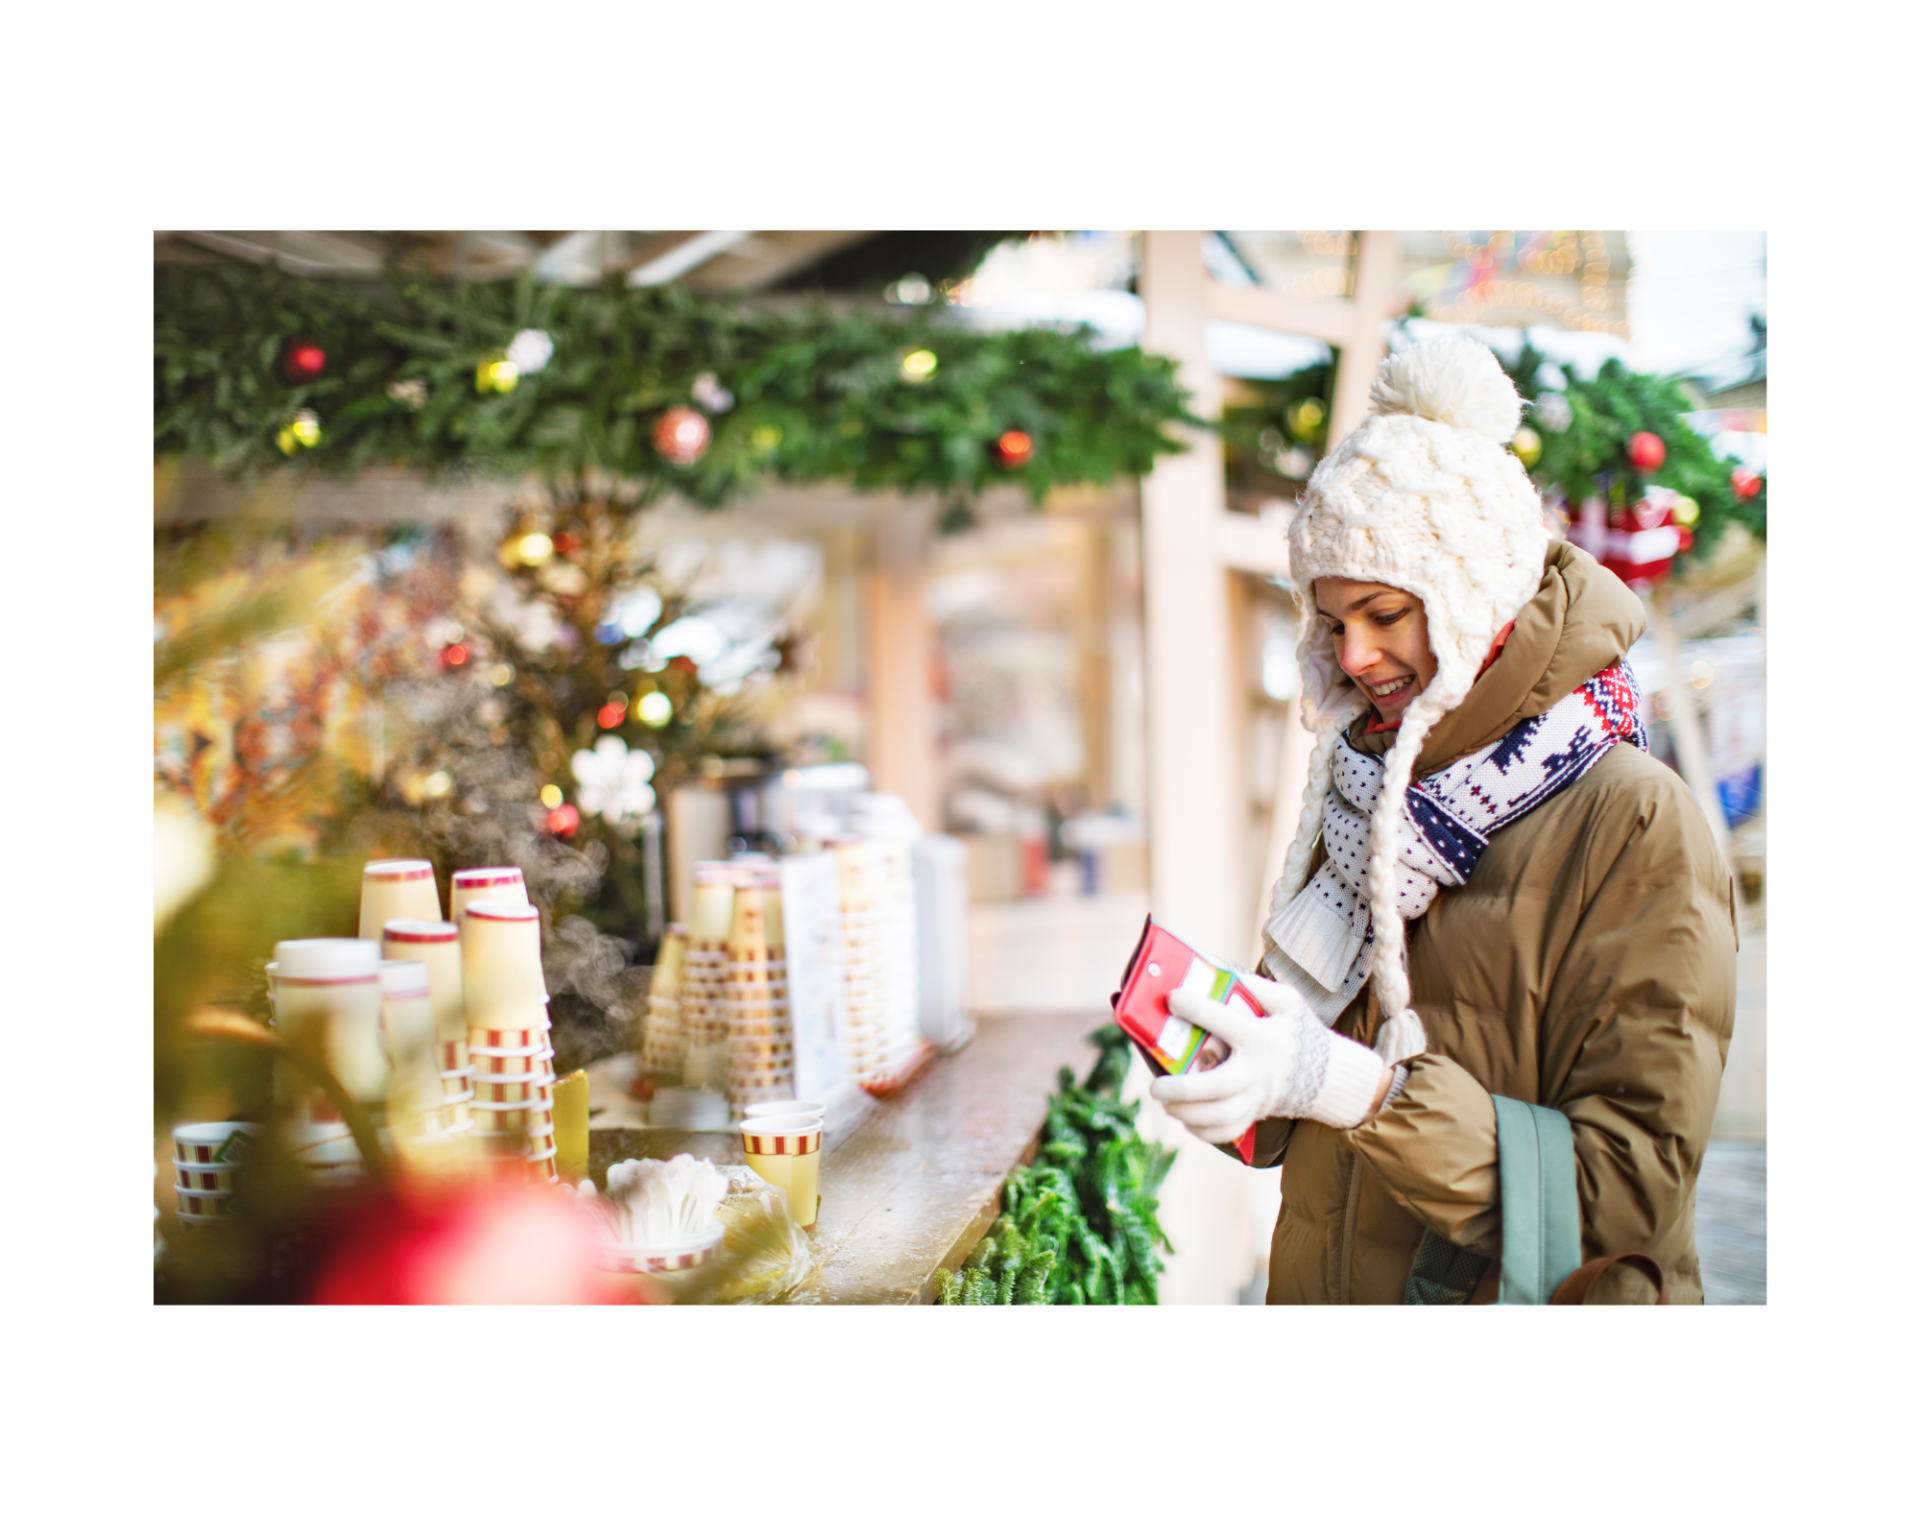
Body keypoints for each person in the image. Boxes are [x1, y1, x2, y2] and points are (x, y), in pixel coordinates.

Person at [1152, 334, 1737, 1305]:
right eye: (1333, 623)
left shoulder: (1635, 819)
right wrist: (1248, 1069)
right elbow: (1305, 1107)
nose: (1358, 656)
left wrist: (1358, 1091)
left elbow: (1627, 1196)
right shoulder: (1363, 793)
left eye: (1387, 613)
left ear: (1475, 600)